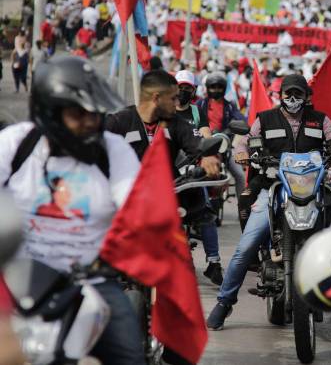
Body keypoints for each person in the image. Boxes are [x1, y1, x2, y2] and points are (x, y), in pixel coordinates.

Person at [0, 55, 145, 364]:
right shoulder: (15, 144)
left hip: (91, 282)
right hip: (15, 279)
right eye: (78, 114)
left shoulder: (113, 150)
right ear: (50, 112)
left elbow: (135, 205)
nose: (90, 122)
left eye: (93, 113)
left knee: (130, 356)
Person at [206, 74, 331, 330]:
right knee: (245, 248)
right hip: (272, 188)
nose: (292, 99)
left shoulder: (319, 120)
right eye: (288, 93)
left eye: (298, 94)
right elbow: (244, 141)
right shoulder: (265, 119)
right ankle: (224, 303)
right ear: (280, 95)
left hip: (312, 191)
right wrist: (241, 153)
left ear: (306, 97)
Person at [105, 70, 220, 365]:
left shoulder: (177, 124)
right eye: (172, 97)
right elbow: (96, 153)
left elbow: (196, 145)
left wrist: (206, 158)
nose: (178, 101)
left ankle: (177, 340)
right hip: (125, 215)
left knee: (181, 271)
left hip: (164, 213)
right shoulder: (119, 122)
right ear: (156, 98)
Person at [174, 70, 223, 286]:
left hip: (192, 171)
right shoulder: (164, 112)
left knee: (206, 210)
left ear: (193, 91)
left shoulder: (196, 112)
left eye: (187, 88)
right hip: (166, 171)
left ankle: (213, 261)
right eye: (179, 87)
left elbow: (206, 135)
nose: (182, 92)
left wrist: (209, 151)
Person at [197, 72, 246, 200]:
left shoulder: (230, 106)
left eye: (219, 87)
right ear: (207, 88)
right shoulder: (200, 105)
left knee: (240, 175)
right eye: (213, 87)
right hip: (205, 147)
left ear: (224, 88)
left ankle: (242, 207)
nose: (216, 90)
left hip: (225, 146)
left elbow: (241, 119)